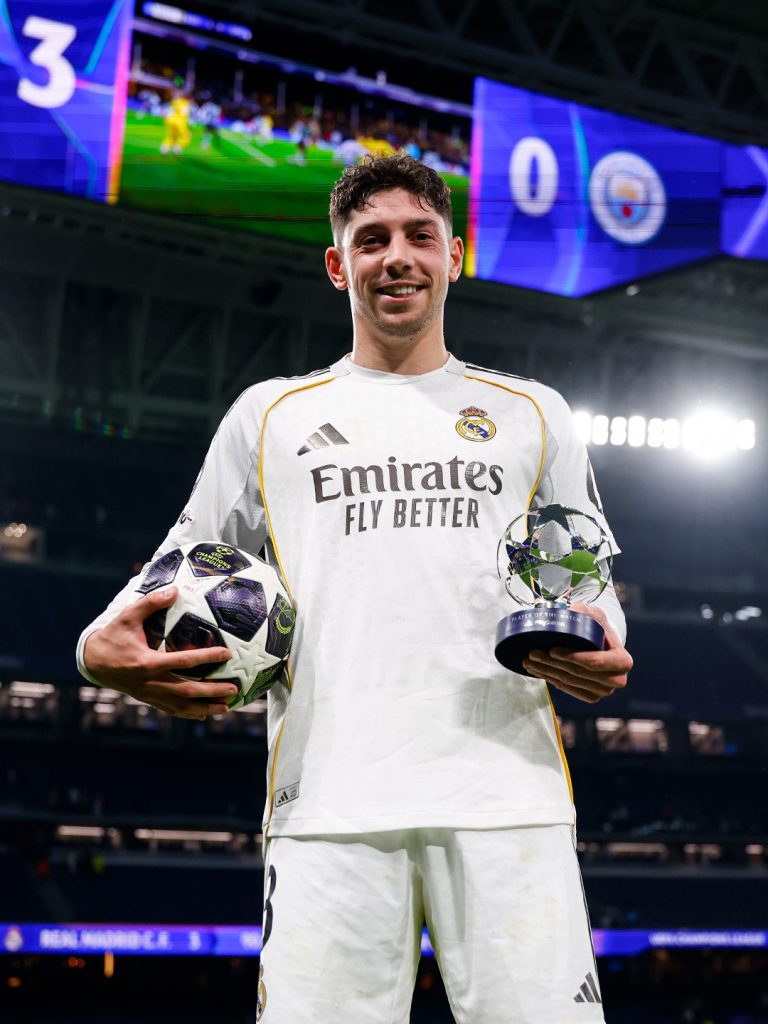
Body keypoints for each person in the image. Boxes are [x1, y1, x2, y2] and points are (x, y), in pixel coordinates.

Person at [78, 153, 632, 1023]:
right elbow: (179, 566)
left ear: (455, 255)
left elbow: (588, 582)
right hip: (328, 804)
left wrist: (601, 638)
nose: (397, 257)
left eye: (420, 236)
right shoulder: (269, 414)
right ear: (339, 266)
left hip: (507, 799)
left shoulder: (534, 412)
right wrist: (93, 649)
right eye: (371, 240)